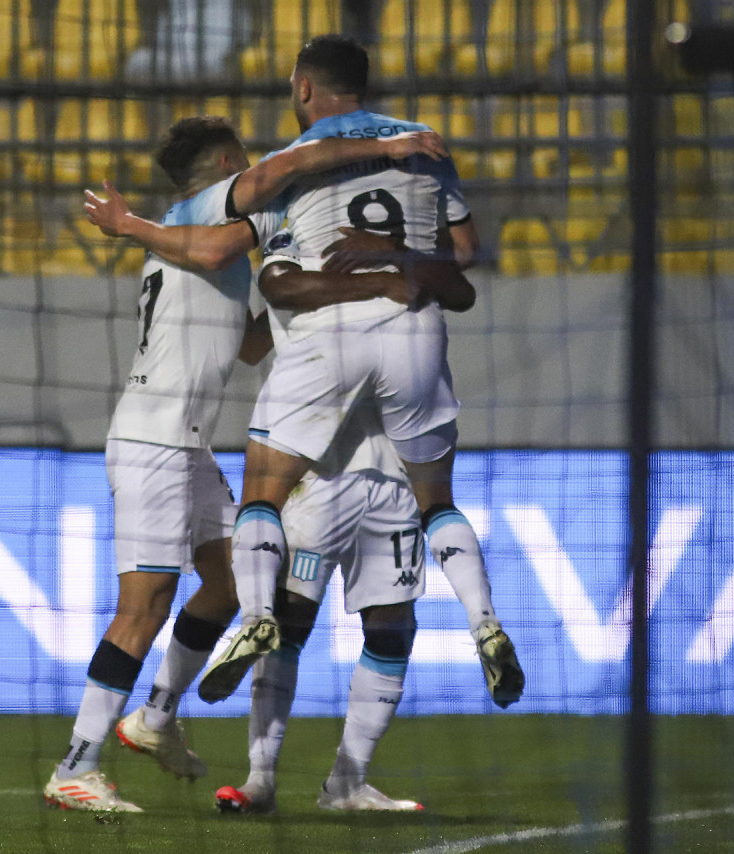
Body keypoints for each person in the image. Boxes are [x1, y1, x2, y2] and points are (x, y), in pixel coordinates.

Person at [83, 35, 524, 711]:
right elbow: (462, 257)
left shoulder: (234, 200)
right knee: (434, 501)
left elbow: (253, 330)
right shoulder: (412, 147)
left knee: (247, 539)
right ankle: (484, 621)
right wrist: (392, 251)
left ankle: (169, 702)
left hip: (229, 408)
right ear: (228, 164)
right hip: (393, 339)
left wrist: (133, 226)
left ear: (304, 88)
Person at [43, 116, 454, 813]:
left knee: (234, 580)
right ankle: (76, 767)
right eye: (247, 166)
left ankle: (156, 718)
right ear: (229, 164)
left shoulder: (219, 246)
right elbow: (272, 182)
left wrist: (322, 302)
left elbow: (253, 346)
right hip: (153, 440)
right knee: (141, 606)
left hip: (186, 443)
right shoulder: (205, 215)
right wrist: (384, 149)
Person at [213, 228, 478, 814]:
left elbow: (460, 286)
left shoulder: (412, 254)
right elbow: (254, 340)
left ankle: (348, 783)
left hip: (392, 476)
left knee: (391, 629)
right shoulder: (311, 248)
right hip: (322, 470)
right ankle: (260, 779)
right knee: (289, 621)